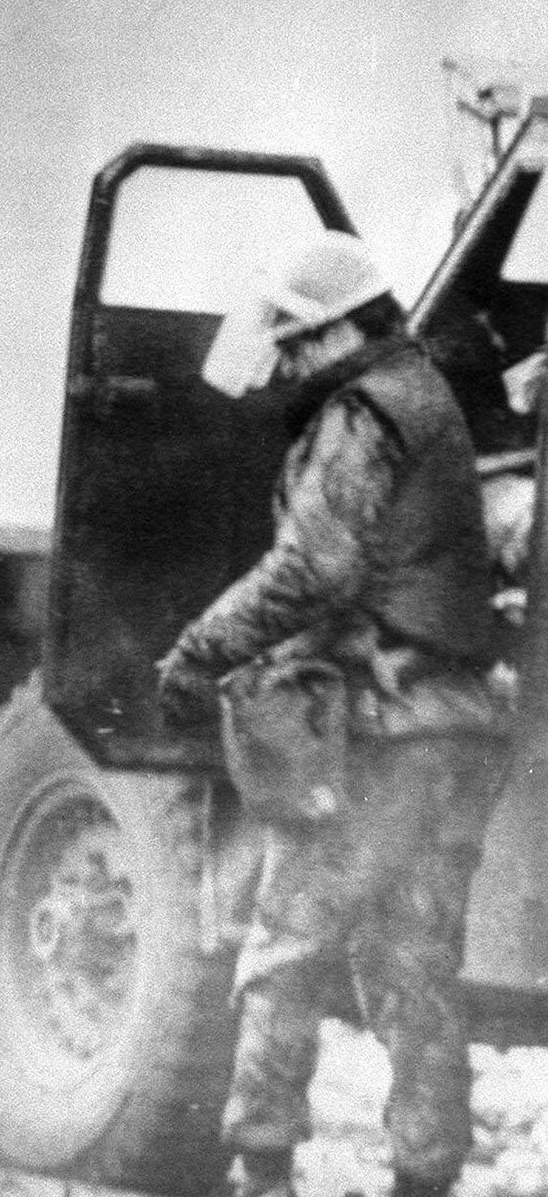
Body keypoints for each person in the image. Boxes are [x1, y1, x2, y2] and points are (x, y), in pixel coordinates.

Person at [154, 231, 511, 1197]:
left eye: (301, 341)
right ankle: (424, 1176)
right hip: (456, 727)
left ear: (348, 329)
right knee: (417, 967)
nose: (292, 361)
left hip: (377, 737)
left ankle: (263, 1169)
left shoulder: (364, 414)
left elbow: (315, 567)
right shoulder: (427, 396)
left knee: (285, 951)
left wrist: (199, 649)